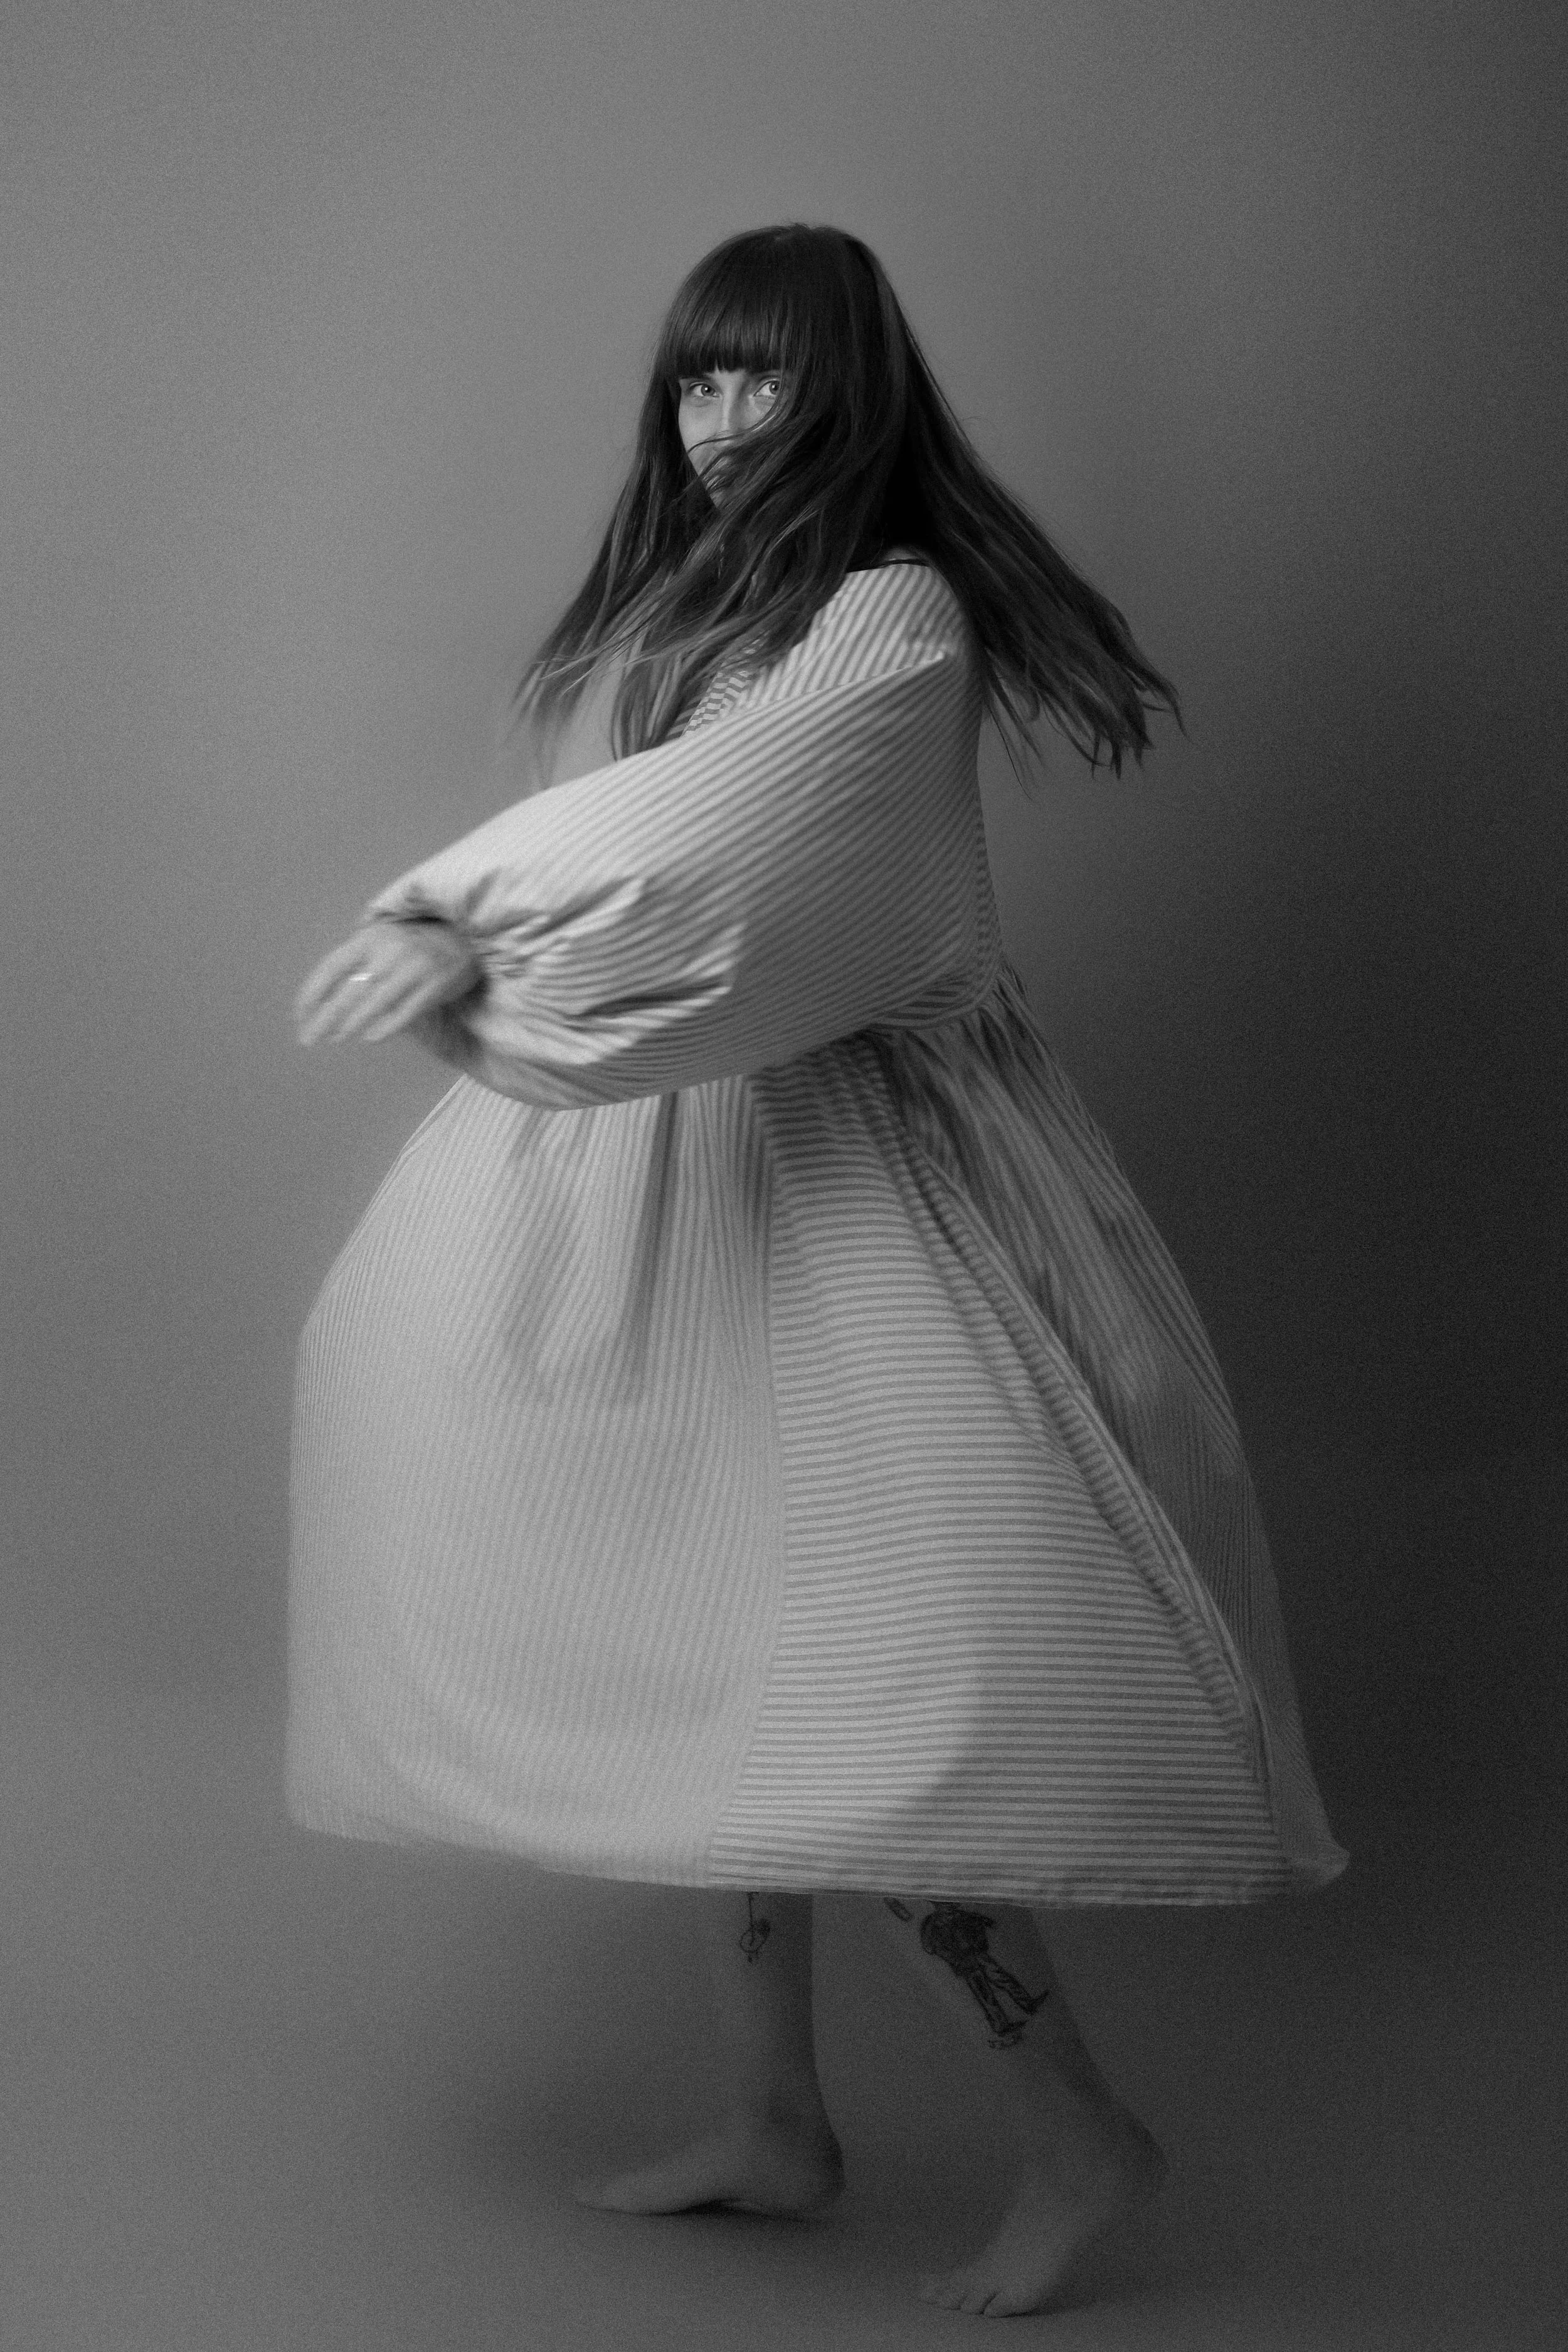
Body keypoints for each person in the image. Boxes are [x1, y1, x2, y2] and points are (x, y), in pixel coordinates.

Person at [291, 223, 1345, 2320]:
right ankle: (777, 2114)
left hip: (855, 1189)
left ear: (850, 388)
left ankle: (1080, 2128)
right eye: (697, 378)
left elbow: (723, 835)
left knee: (869, 1686)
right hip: (690, 1177)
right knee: (730, 1654)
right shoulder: (694, 618)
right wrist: (503, 951)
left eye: (765, 376)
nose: (724, 417)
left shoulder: (889, 615)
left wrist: (454, 912)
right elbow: (650, 850)